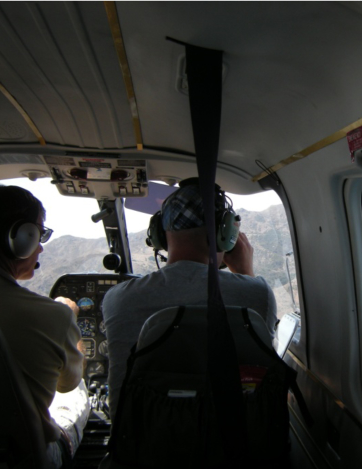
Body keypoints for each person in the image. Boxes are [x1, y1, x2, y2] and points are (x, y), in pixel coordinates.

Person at [101, 178, 278, 421]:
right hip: (234, 450)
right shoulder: (258, 293)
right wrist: (245, 273)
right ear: (225, 233)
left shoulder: (117, 300)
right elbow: (258, 367)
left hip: (138, 450)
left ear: (159, 236)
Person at [0, 185, 90, 469]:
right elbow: (68, 384)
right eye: (39, 234)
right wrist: (69, 319)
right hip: (23, 467)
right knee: (76, 397)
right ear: (22, 239)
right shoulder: (53, 315)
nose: (41, 246)